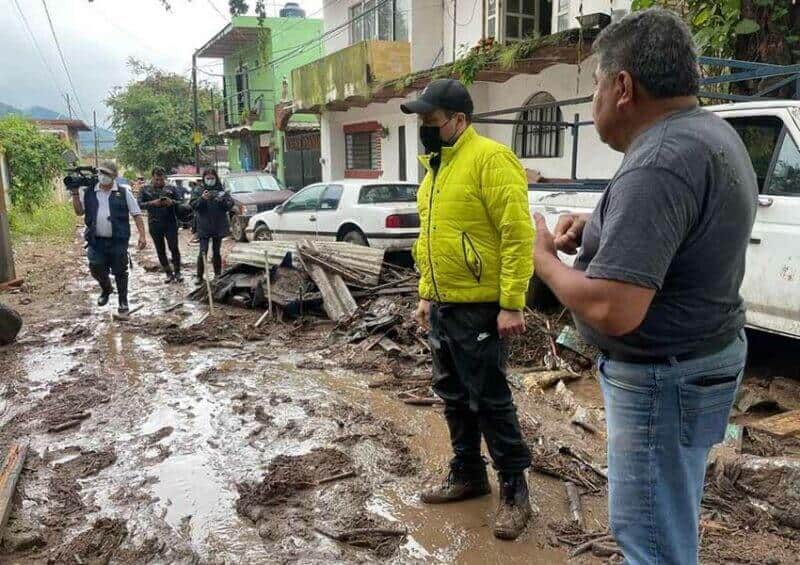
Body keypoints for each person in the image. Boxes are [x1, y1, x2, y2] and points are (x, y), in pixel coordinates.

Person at [532, 9, 757, 564]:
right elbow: (679, 229)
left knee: (650, 540)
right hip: (699, 359)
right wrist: (601, 226)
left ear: (623, 86)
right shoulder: (709, 134)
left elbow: (614, 309)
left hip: (662, 379)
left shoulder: (659, 160)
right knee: (671, 512)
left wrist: (544, 263)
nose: (593, 103)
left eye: (595, 87)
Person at [400, 78, 536, 540]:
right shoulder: (435, 169)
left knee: (490, 401)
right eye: (421, 121)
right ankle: (469, 474)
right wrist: (425, 293)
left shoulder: (491, 160)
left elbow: (517, 234)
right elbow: (428, 240)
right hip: (444, 305)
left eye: (431, 121)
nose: (424, 128)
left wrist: (512, 303)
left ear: (458, 120)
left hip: (482, 309)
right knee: (453, 396)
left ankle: (515, 491)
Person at [70, 160, 147, 314]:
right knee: (95, 267)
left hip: (118, 240)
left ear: (114, 176)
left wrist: (142, 236)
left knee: (120, 271)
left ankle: (123, 302)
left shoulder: (124, 192)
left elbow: (137, 214)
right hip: (95, 240)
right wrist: (75, 193)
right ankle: (106, 288)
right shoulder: (90, 191)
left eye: (106, 173)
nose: (103, 176)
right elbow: (79, 212)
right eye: (101, 172)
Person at [138, 167, 183, 283]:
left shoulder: (171, 188)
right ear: (152, 177)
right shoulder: (144, 189)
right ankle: (168, 273)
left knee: (174, 248)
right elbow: (138, 204)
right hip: (155, 223)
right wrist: (153, 203)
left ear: (164, 178)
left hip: (170, 223)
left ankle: (178, 272)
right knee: (160, 249)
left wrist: (171, 202)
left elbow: (182, 203)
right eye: (157, 179)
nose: (159, 182)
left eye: (161, 179)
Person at [190, 167, 234, 285]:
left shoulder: (221, 189)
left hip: (218, 225)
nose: (210, 180)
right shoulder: (198, 190)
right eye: (208, 178)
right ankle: (199, 276)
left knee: (216, 251)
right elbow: (193, 205)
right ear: (204, 178)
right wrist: (202, 199)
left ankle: (218, 274)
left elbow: (230, 204)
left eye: (212, 178)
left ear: (216, 178)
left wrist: (222, 201)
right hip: (203, 226)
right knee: (202, 251)